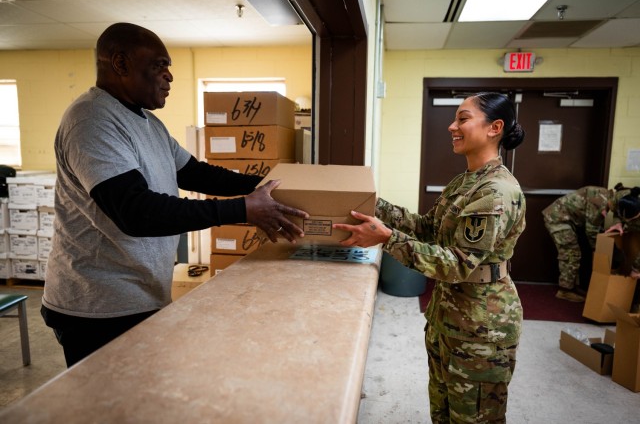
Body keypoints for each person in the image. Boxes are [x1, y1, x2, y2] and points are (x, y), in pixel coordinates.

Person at [41, 22, 308, 368]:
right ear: (120, 63)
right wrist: (242, 209)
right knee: (109, 410)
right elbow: (135, 211)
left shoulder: (149, 123)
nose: (169, 76)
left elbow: (196, 173)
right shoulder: (92, 120)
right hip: (97, 307)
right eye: (159, 65)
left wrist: (272, 184)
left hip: (140, 292)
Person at [334, 92, 526, 423]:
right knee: (443, 412)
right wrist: (371, 203)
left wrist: (386, 238)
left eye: (463, 119)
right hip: (448, 320)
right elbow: (426, 228)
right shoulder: (464, 183)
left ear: (495, 127)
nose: (452, 126)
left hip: (482, 330)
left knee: (474, 418)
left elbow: (457, 265)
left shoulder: (496, 191)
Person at [542, 183, 631, 302]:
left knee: (575, 252)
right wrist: (601, 252)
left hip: (566, 218)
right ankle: (565, 290)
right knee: (571, 253)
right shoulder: (600, 203)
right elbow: (591, 231)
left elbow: (615, 211)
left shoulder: (607, 196)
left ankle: (572, 286)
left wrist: (617, 222)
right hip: (557, 219)